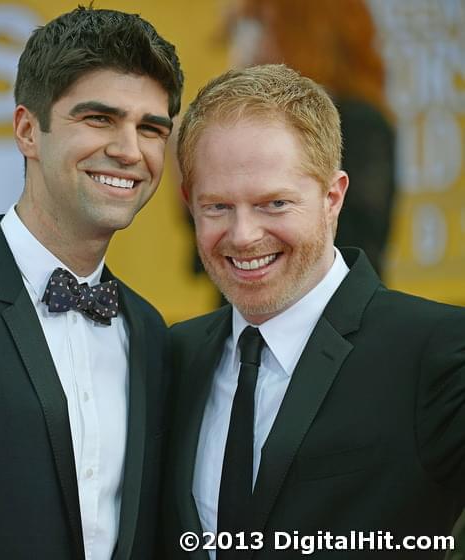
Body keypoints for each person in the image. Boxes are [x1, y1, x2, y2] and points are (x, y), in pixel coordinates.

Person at [0, 6, 182, 560]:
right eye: (99, 119)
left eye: (150, 128)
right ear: (27, 130)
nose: (128, 149)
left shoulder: (152, 335)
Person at [162, 64, 464, 559]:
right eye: (217, 207)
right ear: (189, 205)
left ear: (332, 197)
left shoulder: (437, 351)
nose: (242, 235)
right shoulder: (172, 355)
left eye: (274, 204)